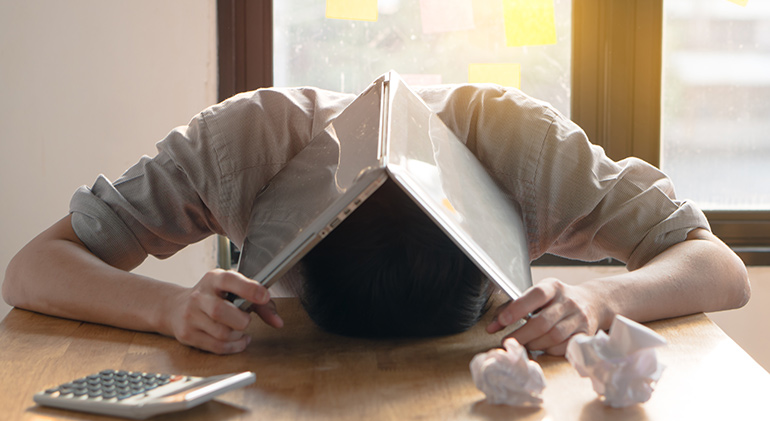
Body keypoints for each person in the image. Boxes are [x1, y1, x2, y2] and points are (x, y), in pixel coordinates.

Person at [1, 83, 751, 356]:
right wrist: (167, 306)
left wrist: (600, 298)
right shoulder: (242, 142)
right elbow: (31, 267)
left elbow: (718, 265)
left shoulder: (522, 149)